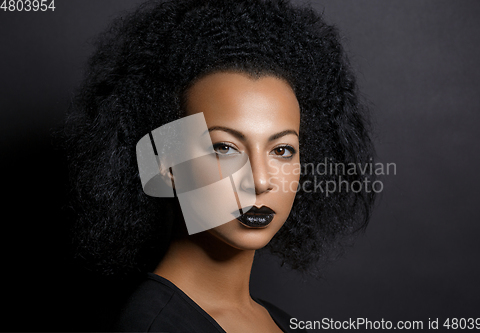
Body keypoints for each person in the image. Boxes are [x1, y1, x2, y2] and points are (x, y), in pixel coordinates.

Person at [62, 0, 376, 332]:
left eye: (282, 149)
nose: (259, 180)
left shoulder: (279, 322)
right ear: (168, 162)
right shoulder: (154, 326)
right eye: (225, 147)